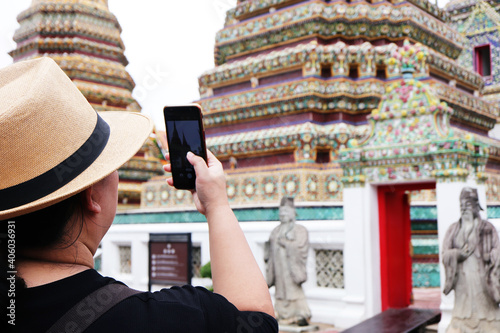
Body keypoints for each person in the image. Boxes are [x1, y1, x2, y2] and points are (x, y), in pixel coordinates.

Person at [0, 57, 277, 332]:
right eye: (111, 164)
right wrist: (217, 205)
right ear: (91, 195)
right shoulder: (151, 319)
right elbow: (256, 321)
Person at [442, 187, 500, 333]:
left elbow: (497, 250)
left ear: (476, 206)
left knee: (488, 320)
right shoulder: (453, 230)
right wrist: (456, 255)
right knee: (461, 317)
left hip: (482, 280)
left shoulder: (488, 229)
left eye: (467, 205)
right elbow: (445, 254)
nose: (464, 209)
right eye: (462, 205)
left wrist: (492, 256)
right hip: (462, 282)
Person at [266, 197, 311, 326]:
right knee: (280, 291)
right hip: (278, 266)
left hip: (292, 268)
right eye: (281, 212)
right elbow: (269, 250)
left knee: (294, 290)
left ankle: (301, 314)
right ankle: (282, 314)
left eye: (286, 212)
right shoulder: (275, 231)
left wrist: (286, 244)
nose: (283, 215)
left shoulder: (300, 230)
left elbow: (301, 246)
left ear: (293, 213)